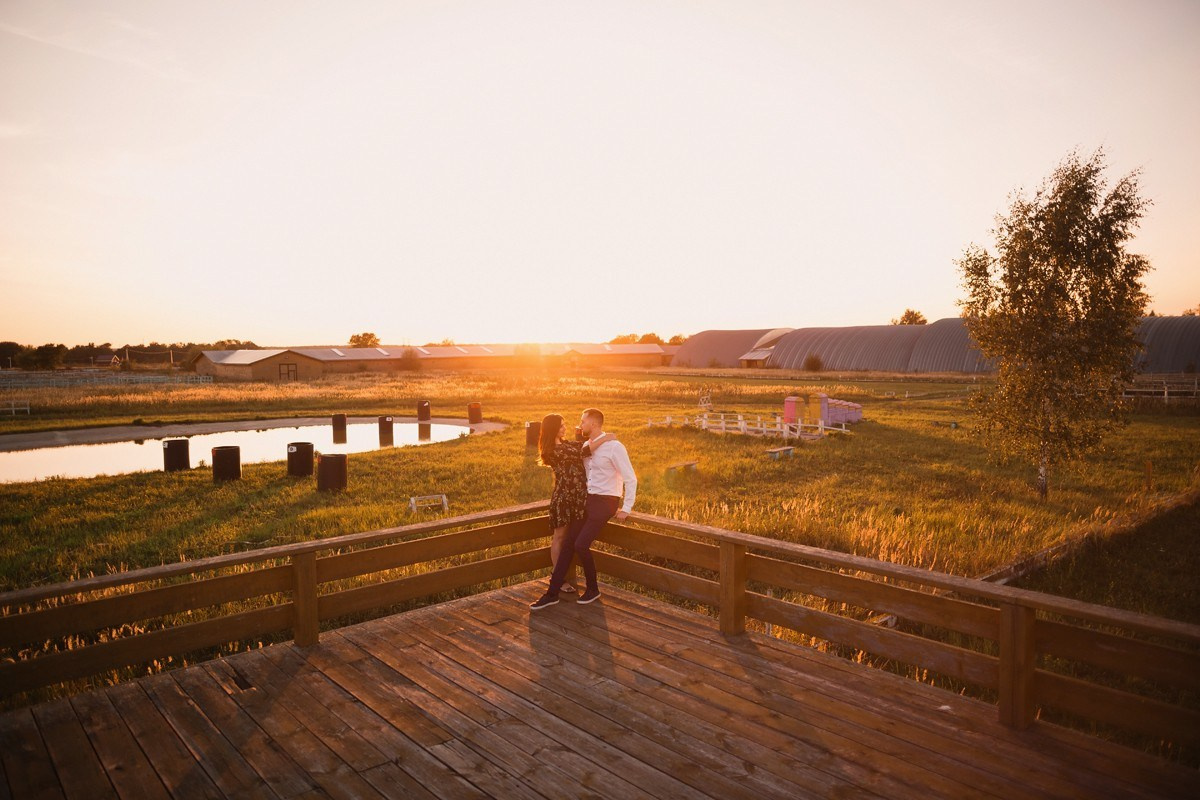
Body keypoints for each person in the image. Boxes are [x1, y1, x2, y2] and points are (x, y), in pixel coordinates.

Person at [531, 407, 637, 610]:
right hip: (584, 501)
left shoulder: (615, 447)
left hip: (605, 501)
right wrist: (602, 439)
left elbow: (630, 477)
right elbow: (582, 452)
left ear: (593, 424)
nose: (578, 425)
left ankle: (593, 589)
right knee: (568, 543)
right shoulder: (584, 446)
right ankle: (552, 593)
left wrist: (627, 507)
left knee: (579, 545)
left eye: (583, 421)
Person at [535, 413, 616, 595]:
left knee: (570, 539)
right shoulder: (553, 450)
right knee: (560, 537)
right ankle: (558, 578)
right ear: (553, 429)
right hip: (564, 498)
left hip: (578, 498)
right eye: (561, 425)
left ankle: (562, 577)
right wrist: (606, 438)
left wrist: (594, 437)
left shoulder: (565, 444)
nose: (565, 428)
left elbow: (583, 445)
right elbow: (584, 451)